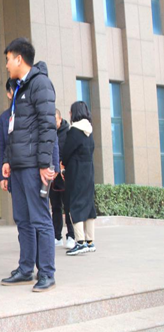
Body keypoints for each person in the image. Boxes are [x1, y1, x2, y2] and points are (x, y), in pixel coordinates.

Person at [0, 38, 57, 293]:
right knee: (22, 220)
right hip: (19, 166)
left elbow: (47, 126)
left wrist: (45, 163)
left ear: (19, 59)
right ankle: (25, 269)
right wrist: (8, 160)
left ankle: (46, 273)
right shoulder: (18, 89)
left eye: (8, 60)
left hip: (34, 166)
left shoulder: (40, 83)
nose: (6, 65)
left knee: (41, 220)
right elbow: (14, 130)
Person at [62, 101, 97, 256]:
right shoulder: (89, 130)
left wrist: (63, 164)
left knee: (75, 204)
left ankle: (80, 242)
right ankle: (90, 242)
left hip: (76, 172)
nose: (69, 114)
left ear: (74, 113)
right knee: (88, 205)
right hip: (88, 171)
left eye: (70, 111)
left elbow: (66, 152)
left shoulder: (74, 131)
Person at [50, 109, 75, 249]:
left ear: (60, 119)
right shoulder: (49, 132)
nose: (53, 123)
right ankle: (57, 236)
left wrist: (62, 164)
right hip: (53, 176)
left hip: (65, 175)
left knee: (68, 207)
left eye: (55, 120)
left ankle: (71, 236)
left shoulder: (68, 133)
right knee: (55, 207)